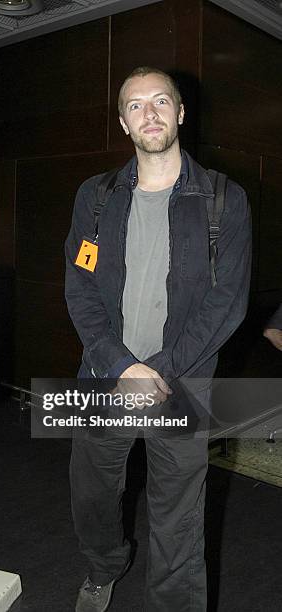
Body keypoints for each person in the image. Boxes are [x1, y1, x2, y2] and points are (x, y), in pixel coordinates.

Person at [64, 66, 252, 612]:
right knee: (93, 495)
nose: (150, 113)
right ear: (123, 122)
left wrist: (161, 371)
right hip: (103, 379)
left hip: (183, 383)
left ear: (181, 113)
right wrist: (120, 365)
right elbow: (79, 287)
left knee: (179, 515)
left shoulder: (223, 199)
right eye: (136, 105)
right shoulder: (95, 198)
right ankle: (104, 566)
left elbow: (228, 302)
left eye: (161, 102)